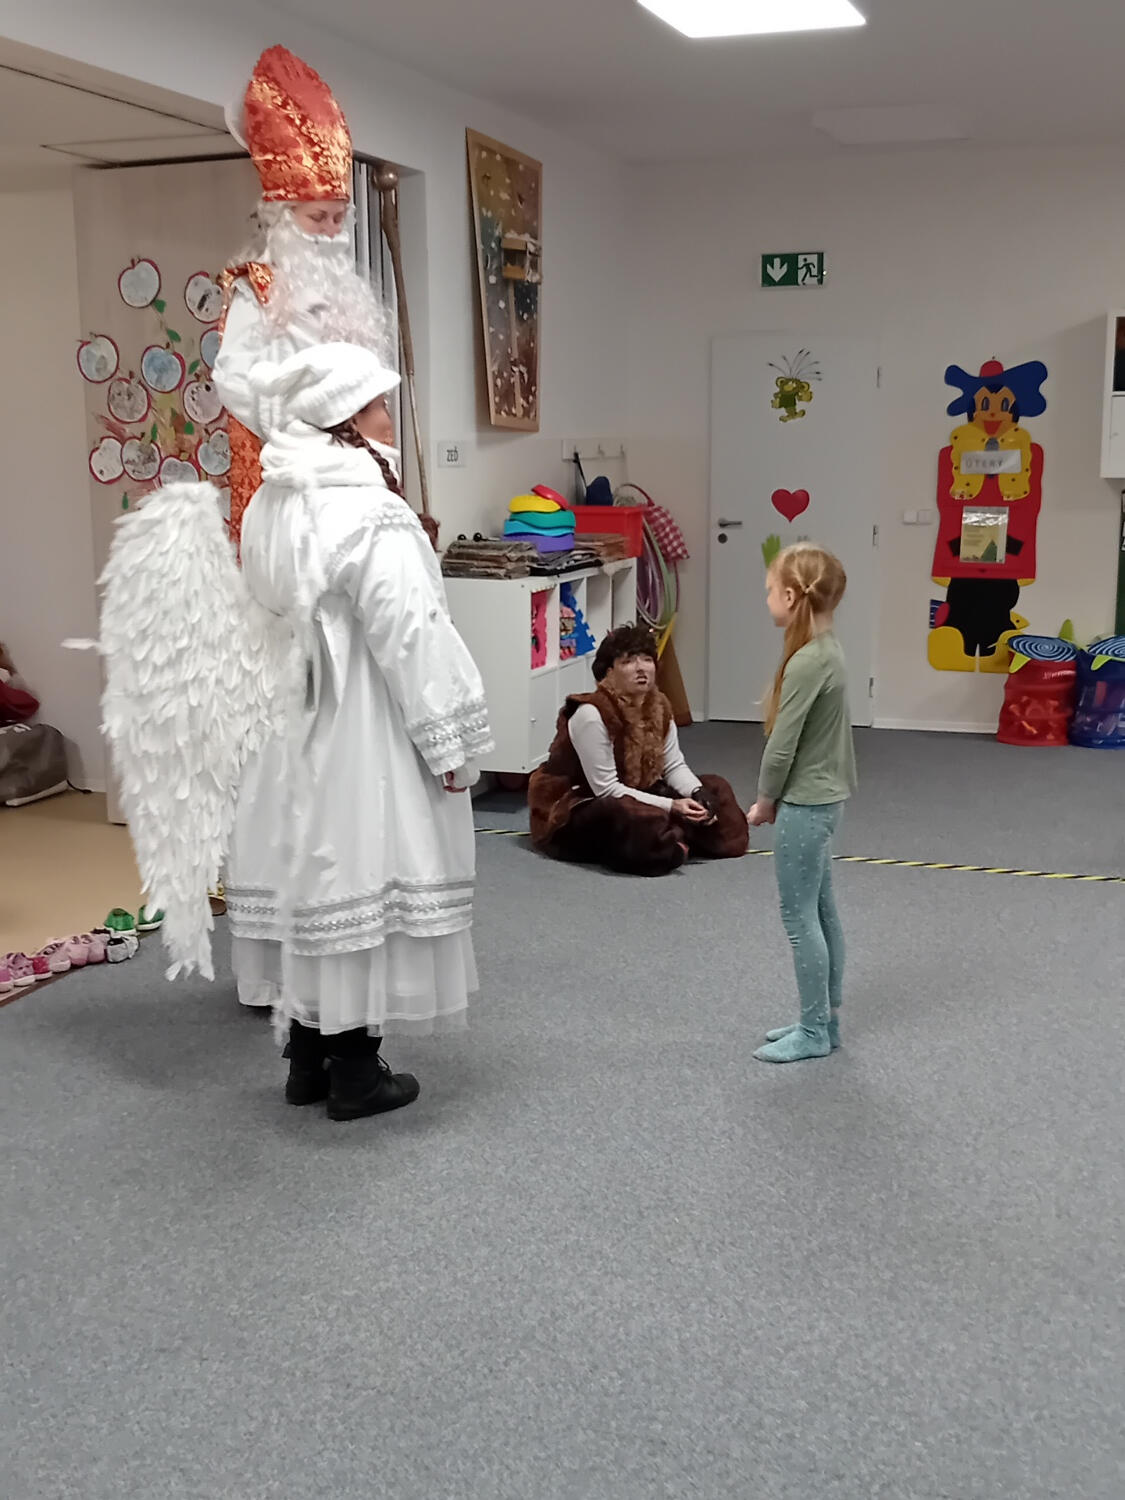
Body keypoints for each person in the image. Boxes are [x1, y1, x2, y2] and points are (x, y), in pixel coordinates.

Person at [217, 342, 491, 1118]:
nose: (388, 420)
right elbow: (411, 633)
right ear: (342, 420)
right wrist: (448, 741)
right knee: (358, 876)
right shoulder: (372, 510)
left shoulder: (269, 502)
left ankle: (307, 1061)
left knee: (311, 880)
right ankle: (356, 1073)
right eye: (375, 407)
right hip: (360, 722)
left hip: (290, 719)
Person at [214, 45, 439, 551]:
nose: (332, 231)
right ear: (282, 216)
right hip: (297, 481)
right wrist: (314, 430)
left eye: (339, 217)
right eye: (318, 218)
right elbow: (236, 382)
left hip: (358, 473)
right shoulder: (258, 288)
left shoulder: (346, 289)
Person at [746, 544, 856, 1064]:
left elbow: (782, 745)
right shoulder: (826, 649)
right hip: (824, 798)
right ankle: (823, 1021)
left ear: (791, 596)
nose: (767, 598)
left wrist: (764, 801)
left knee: (799, 918)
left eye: (770, 590)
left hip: (805, 804)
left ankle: (814, 1030)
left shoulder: (808, 661)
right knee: (821, 910)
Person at [529, 624, 748, 875]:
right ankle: (667, 838)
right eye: (628, 662)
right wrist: (672, 806)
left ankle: (669, 836)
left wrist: (697, 793)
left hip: (639, 791)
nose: (641, 668)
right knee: (626, 813)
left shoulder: (660, 706)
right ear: (608, 672)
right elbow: (606, 789)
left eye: (647, 660)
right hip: (579, 804)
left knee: (716, 788)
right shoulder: (592, 714)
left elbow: (673, 765)